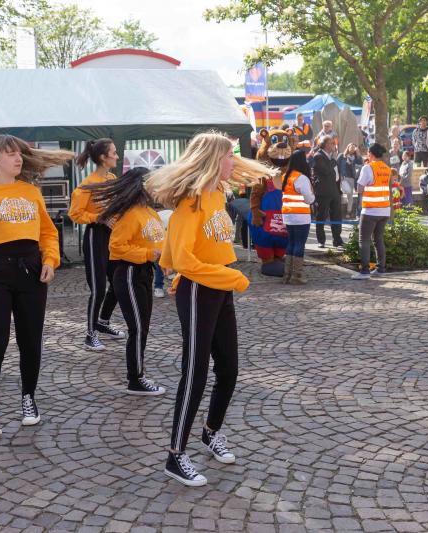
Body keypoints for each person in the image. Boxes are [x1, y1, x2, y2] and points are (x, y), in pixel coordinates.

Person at [146, 131, 275, 487]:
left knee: (229, 368)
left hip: (218, 288)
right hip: (199, 291)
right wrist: (229, 277)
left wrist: (221, 277)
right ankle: (175, 455)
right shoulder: (190, 202)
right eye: (228, 155)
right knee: (195, 372)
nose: (233, 161)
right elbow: (183, 258)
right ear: (211, 160)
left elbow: (188, 251)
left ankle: (211, 431)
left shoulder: (217, 194)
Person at [0, 134, 73, 436]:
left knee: (31, 341)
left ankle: (28, 398)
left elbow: (48, 232)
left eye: (19, 153)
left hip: (31, 272)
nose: (18, 158)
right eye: (9, 154)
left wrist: (50, 260)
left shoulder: (31, 192)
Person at [84, 167, 167, 396]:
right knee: (137, 328)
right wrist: (148, 254)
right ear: (141, 186)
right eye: (152, 182)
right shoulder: (130, 214)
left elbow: (159, 241)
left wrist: (164, 261)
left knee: (143, 328)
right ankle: (135, 379)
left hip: (145, 273)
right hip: (129, 273)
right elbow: (117, 247)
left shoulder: (150, 212)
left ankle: (138, 376)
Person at [69, 139, 127, 351]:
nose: (117, 156)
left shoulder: (112, 179)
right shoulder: (87, 185)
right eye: (114, 152)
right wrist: (100, 218)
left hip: (114, 237)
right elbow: (75, 214)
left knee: (119, 284)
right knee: (99, 289)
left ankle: (102, 322)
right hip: (96, 238)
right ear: (103, 157)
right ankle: (90, 334)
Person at [352, 143, 392, 280]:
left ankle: (364, 271)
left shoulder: (367, 168)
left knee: (364, 240)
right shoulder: (387, 168)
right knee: (378, 240)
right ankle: (381, 269)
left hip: (370, 210)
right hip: (384, 210)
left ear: (371, 154)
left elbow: (359, 188)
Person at [281, 150, 316, 284]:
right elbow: (309, 199)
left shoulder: (287, 176)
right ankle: (296, 276)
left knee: (291, 243)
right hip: (300, 216)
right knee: (299, 244)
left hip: (288, 215)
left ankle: (287, 275)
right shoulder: (301, 178)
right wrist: (313, 196)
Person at [311, 136, 344, 248]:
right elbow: (326, 171)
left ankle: (337, 240)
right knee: (321, 216)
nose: (334, 145)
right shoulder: (318, 156)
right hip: (323, 192)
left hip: (335, 190)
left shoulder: (332, 156)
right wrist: (333, 159)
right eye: (332, 143)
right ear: (326, 144)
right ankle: (321, 240)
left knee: (337, 216)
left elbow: (336, 173)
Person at [337, 143, 363, 218]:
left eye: (354, 148)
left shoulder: (356, 158)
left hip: (351, 178)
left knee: (350, 195)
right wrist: (339, 176)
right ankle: (338, 211)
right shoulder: (342, 156)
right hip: (343, 178)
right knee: (340, 193)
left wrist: (358, 153)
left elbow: (361, 163)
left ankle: (348, 211)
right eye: (351, 147)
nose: (352, 149)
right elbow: (337, 165)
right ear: (348, 147)